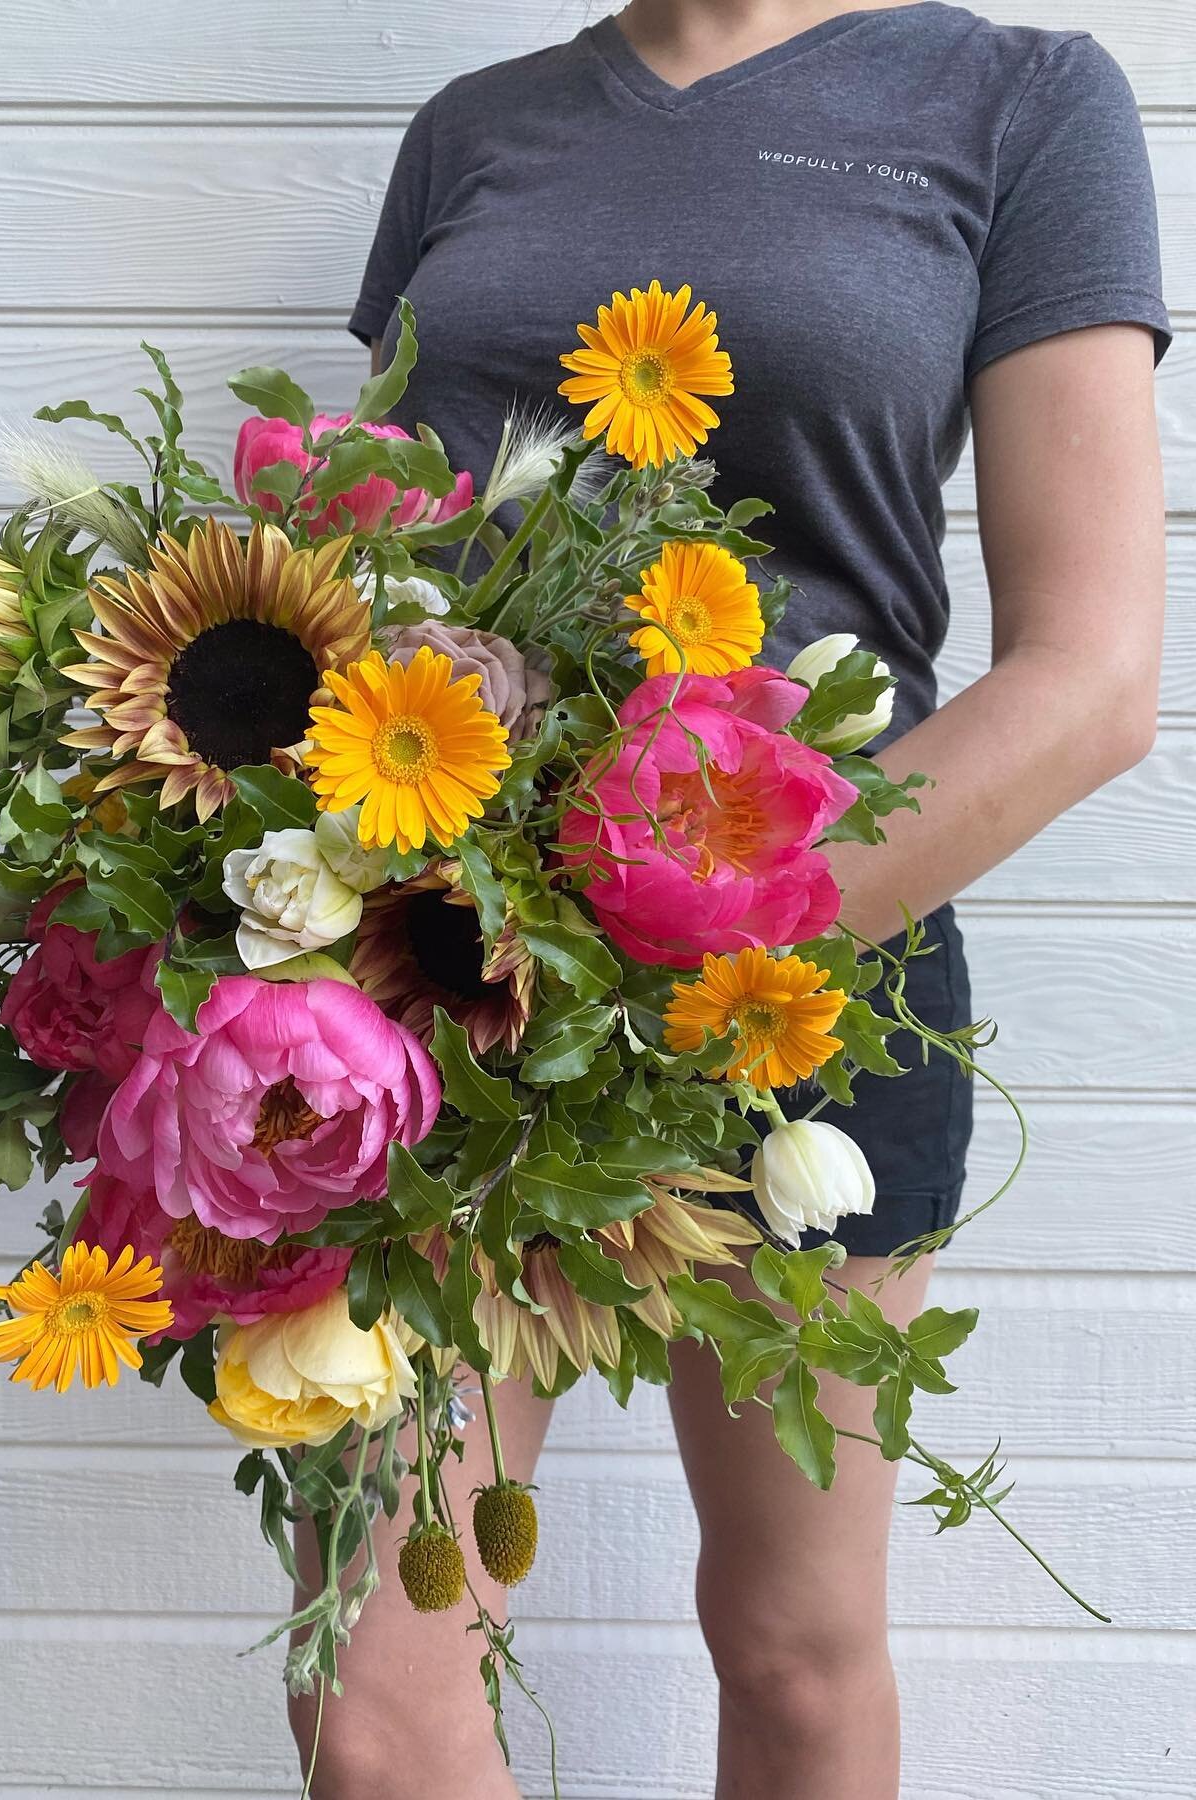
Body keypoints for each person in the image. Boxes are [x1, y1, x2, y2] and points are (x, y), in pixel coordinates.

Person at [293, 4, 1169, 1794]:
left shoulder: (1020, 102)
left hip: (808, 984)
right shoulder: (474, 129)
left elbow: (1094, 677)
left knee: (791, 1651)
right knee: (374, 1713)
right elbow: (371, 550)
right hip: (439, 979)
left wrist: (674, 943)